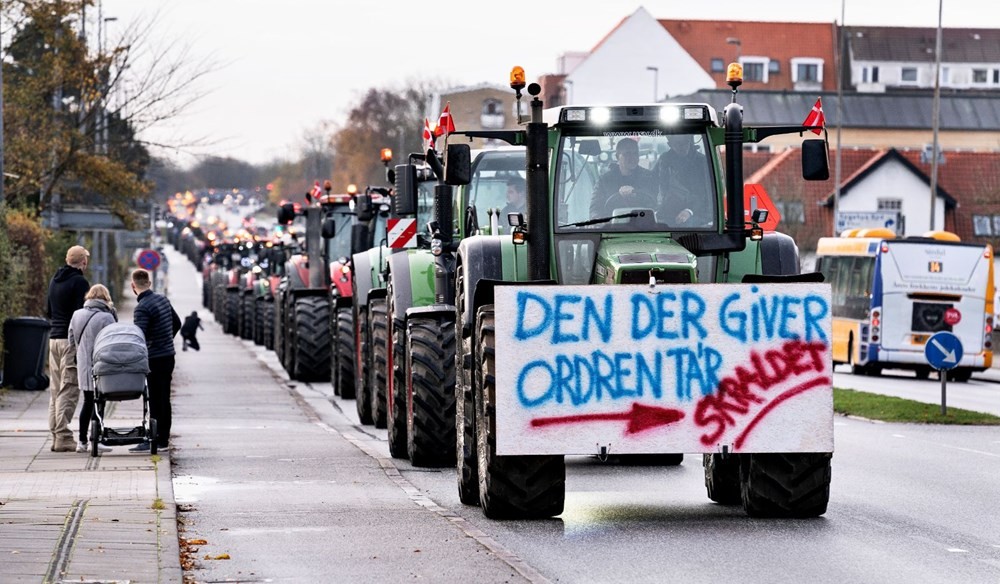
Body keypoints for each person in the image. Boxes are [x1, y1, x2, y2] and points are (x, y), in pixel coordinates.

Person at [130, 268, 181, 452]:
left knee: (154, 399)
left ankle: (156, 439)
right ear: (149, 283)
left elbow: (139, 336)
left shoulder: (142, 308)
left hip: (154, 358)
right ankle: (163, 438)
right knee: (164, 398)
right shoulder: (162, 299)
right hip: (168, 355)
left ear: (132, 286)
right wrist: (166, 340)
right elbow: (177, 323)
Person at [46, 245, 90, 452]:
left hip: (53, 338)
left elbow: (48, 310)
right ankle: (63, 436)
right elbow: (81, 315)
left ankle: (56, 435)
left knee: (56, 389)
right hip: (69, 341)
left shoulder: (55, 279)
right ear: (84, 262)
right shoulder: (80, 282)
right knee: (69, 388)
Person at [68, 284, 118, 453]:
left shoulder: (76, 315)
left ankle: (81, 442)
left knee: (88, 402)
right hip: (101, 364)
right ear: (105, 298)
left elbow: (70, 340)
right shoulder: (107, 317)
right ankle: (96, 439)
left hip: (83, 364)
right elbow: (113, 340)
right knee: (100, 402)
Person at [590, 138, 657, 218]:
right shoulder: (604, 181)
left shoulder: (649, 177)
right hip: (612, 227)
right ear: (617, 156)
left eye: (635, 153)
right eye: (627, 153)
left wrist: (635, 194)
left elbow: (656, 201)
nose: (632, 157)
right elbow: (595, 208)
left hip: (644, 226)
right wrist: (596, 220)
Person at [655, 134, 714, 226]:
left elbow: (705, 193)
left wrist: (689, 211)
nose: (683, 146)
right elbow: (654, 181)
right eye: (678, 143)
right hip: (670, 209)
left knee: (686, 225)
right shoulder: (664, 160)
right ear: (670, 144)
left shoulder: (701, 162)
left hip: (697, 211)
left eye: (686, 142)